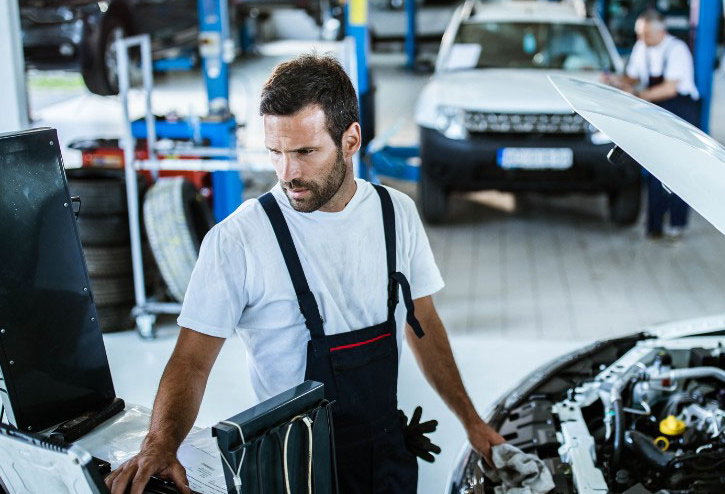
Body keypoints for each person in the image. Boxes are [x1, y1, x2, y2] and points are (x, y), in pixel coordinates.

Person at [105, 54, 504, 494]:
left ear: (350, 140)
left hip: (387, 458)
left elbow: (422, 321)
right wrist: (161, 443)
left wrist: (472, 422)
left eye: (305, 152)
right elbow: (191, 360)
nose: (288, 173)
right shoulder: (239, 239)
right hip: (293, 472)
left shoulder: (397, 215)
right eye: (275, 153)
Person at [605, 9, 701, 239]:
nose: (641, 38)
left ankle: (677, 223)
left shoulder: (677, 50)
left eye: (646, 34)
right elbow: (634, 76)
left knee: (678, 168)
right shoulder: (642, 48)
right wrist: (614, 81)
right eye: (639, 33)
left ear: (661, 32)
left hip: (681, 111)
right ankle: (654, 226)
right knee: (656, 165)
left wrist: (638, 95)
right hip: (656, 109)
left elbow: (670, 88)